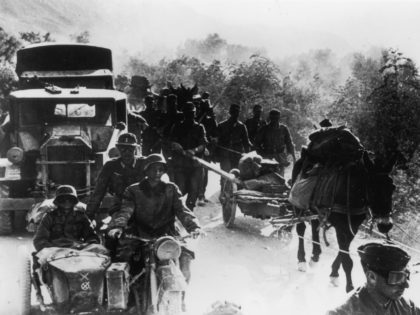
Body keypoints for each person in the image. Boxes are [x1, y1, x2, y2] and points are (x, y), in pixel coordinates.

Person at [107, 154, 202, 310]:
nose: (158, 173)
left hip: (167, 235)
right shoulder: (133, 190)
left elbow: (182, 210)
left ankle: (181, 297)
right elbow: (126, 210)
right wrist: (119, 226)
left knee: (185, 257)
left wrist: (194, 227)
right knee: (122, 259)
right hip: (139, 234)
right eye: (154, 169)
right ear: (146, 170)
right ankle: (126, 300)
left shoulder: (171, 188)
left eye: (161, 169)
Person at [326, 242, 419, 315]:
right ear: (371, 277)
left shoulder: (407, 306)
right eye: (397, 278)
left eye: (406, 276)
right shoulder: (343, 312)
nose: (406, 285)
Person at [33, 185, 108, 264]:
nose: (66, 202)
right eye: (63, 199)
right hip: (55, 250)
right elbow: (39, 240)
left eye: (70, 199)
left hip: (77, 249)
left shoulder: (81, 217)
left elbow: (91, 236)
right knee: (43, 256)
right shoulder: (49, 217)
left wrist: (89, 245)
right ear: (58, 201)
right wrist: (50, 249)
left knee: (100, 250)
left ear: (74, 201)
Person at [86, 133, 145, 221]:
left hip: (144, 206)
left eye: (130, 148)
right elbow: (98, 192)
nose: (127, 152)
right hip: (120, 207)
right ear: (118, 148)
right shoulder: (110, 166)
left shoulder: (145, 163)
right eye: (123, 148)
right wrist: (88, 216)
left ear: (136, 148)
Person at [169, 102, 208, 211]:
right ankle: (178, 211)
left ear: (194, 114)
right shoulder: (177, 127)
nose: (189, 115)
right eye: (187, 113)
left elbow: (203, 144)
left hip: (195, 165)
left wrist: (194, 150)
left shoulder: (200, 128)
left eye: (191, 113)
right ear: (184, 114)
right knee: (179, 189)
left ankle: (189, 211)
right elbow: (171, 142)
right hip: (180, 165)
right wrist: (178, 148)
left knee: (194, 189)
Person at [216, 104, 251, 186]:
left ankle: (234, 195)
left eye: (237, 112)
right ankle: (223, 194)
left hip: (237, 155)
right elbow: (217, 141)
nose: (235, 114)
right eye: (234, 112)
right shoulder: (222, 125)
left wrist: (247, 155)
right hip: (225, 155)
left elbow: (246, 142)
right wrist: (216, 155)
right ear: (230, 112)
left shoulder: (242, 126)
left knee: (237, 175)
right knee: (225, 175)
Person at [254, 109, 296, 176]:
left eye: (276, 118)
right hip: (268, 156)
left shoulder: (283, 128)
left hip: (280, 156)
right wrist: (262, 154)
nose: (274, 120)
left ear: (279, 118)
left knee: (280, 177)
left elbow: (289, 143)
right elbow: (256, 144)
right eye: (273, 118)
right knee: (268, 176)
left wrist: (293, 156)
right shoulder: (264, 129)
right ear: (270, 118)